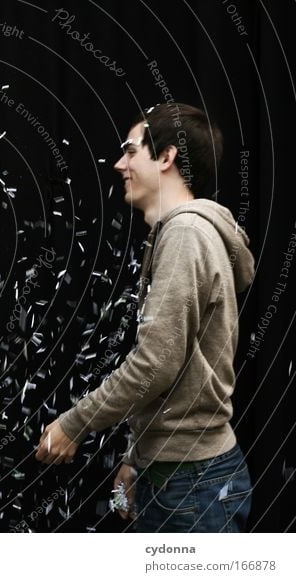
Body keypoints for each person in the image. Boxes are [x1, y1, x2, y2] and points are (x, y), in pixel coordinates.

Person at [35, 103, 255, 533]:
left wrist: (74, 424)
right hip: (177, 476)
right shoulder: (178, 233)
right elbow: (175, 371)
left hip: (191, 488)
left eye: (131, 151)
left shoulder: (186, 235)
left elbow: (154, 365)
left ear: (167, 157)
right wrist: (138, 460)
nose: (120, 164)